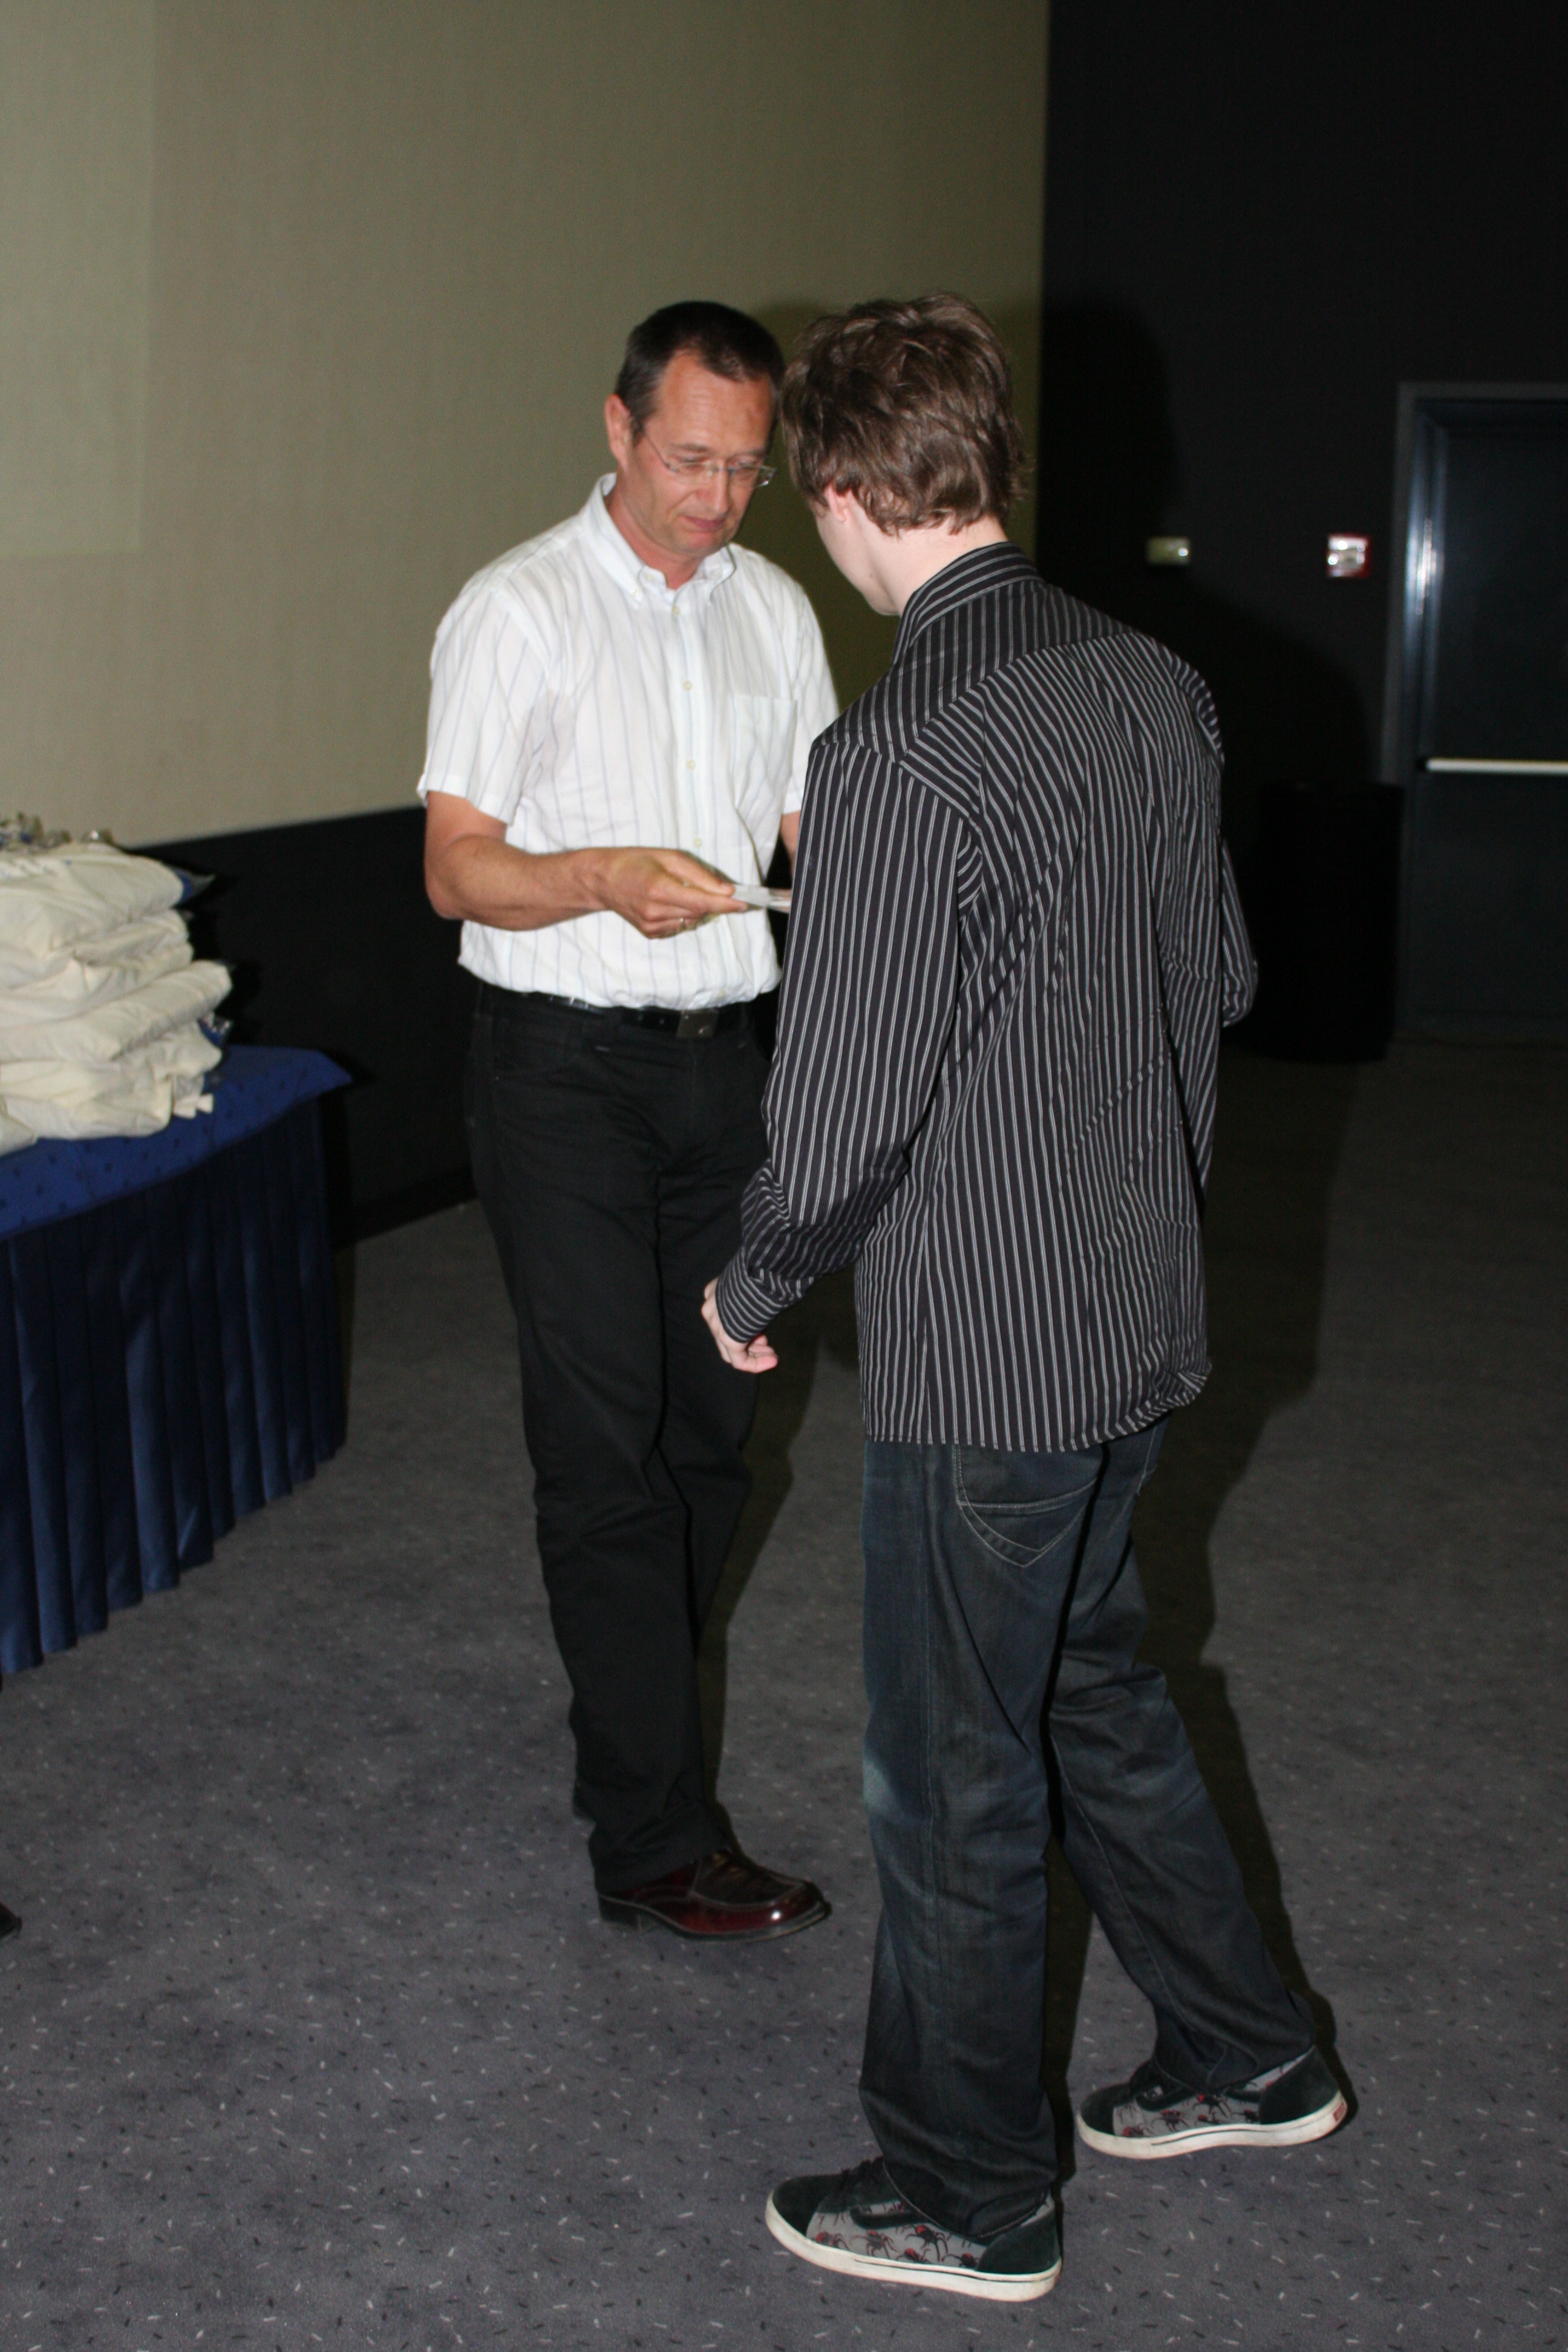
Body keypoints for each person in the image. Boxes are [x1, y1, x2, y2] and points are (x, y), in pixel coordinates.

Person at [703, 295, 1347, 2302]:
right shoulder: (1153, 682)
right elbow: (1219, 976)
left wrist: (757, 1274)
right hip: (1143, 1306)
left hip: (990, 1355)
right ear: (989, 461)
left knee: (949, 1769)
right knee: (1089, 1685)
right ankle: (1248, 2050)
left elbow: (845, 1104)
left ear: (838, 491)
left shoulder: (898, 747)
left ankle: (968, 2189)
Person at [421, 302, 837, 1943]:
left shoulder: (778, 613)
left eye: (746, 469)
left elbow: (813, 835)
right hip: (562, 1077)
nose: (715, 498)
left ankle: (630, 1706)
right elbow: (456, 868)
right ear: (617, 429)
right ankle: (655, 1837)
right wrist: (599, 875)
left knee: (712, 1441)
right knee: (604, 1451)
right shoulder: (515, 609)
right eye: (688, 459)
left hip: (728, 1079)